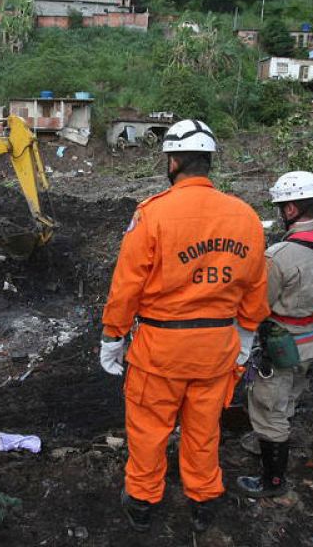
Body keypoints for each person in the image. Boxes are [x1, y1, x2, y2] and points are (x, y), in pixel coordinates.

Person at [99, 119, 270, 533]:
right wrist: (245, 336)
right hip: (217, 349)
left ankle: (142, 500)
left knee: (148, 430)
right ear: (208, 161)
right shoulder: (245, 216)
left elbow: (127, 286)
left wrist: (112, 336)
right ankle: (204, 499)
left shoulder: (152, 214)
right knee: (203, 429)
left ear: (173, 161)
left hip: (161, 349)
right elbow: (255, 288)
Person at [236, 171, 313, 498]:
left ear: (291, 209)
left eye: (282, 206)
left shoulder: (279, 256)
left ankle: (273, 481)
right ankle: (272, 442)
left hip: (282, 345)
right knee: (288, 400)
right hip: (312, 341)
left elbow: (258, 306)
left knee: (269, 410)